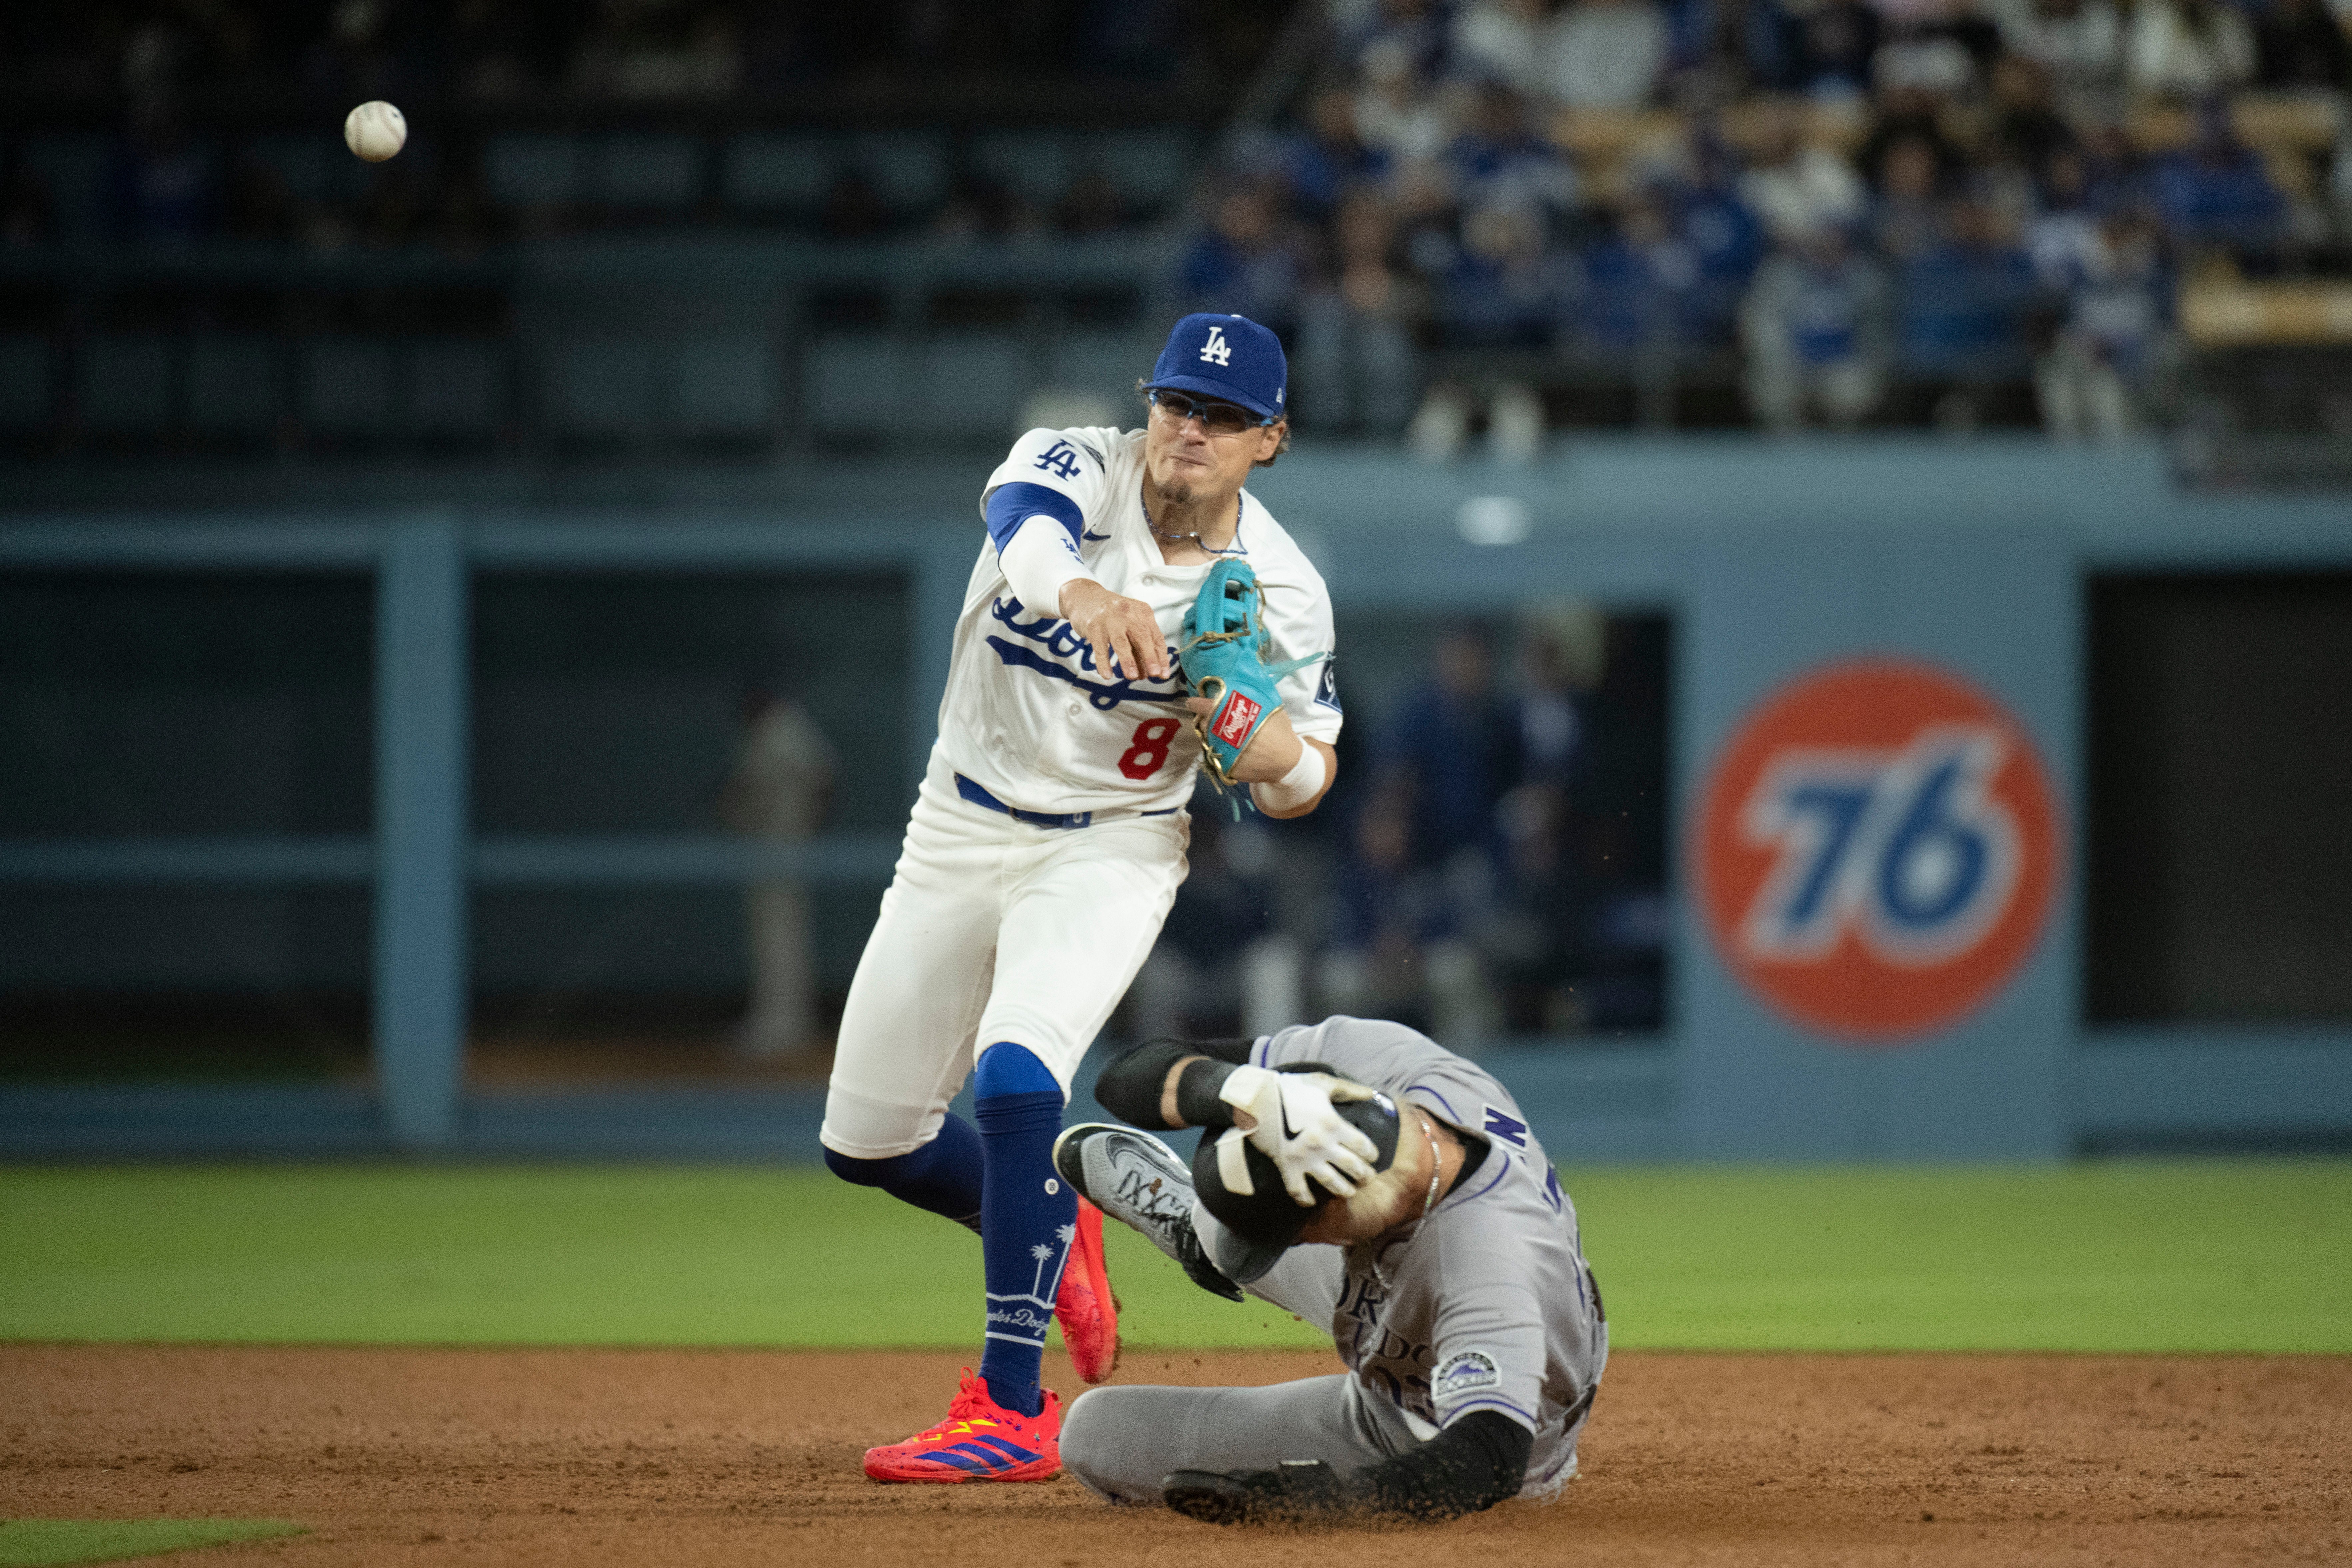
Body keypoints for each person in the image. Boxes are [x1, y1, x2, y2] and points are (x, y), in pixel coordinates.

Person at [821, 313, 1345, 1483]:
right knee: (867, 1142)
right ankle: (1058, 1226)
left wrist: (1252, 732)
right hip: (958, 821)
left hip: (1112, 842)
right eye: (1177, 402)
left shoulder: (1282, 589)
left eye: (1223, 417)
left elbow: (1307, 777)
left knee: (1017, 1075)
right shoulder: (1070, 461)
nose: (1191, 429)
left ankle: (1009, 1408)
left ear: (1270, 438)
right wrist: (1078, 592)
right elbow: (1020, 530)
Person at [1048, 1015, 1608, 1523]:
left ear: (1341, 1209)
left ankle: (1212, 1234)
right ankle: (1198, 1232)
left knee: (1096, 1435)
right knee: (1225, 1226)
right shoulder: (1381, 1065)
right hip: (1395, 1269)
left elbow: (1490, 1456)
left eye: (1293, 1235)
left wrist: (1336, 1499)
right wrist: (1239, 1090)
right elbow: (1122, 1078)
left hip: (1427, 1426)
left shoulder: (1485, 1266)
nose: (1283, 1245)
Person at [716, 686, 837, 1062]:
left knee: (781, 939)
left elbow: (824, 780)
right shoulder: (772, 732)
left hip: (784, 847)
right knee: (774, 938)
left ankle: (787, 1025)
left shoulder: (784, 728)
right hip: (769, 849)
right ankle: (780, 1022)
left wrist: (805, 827)